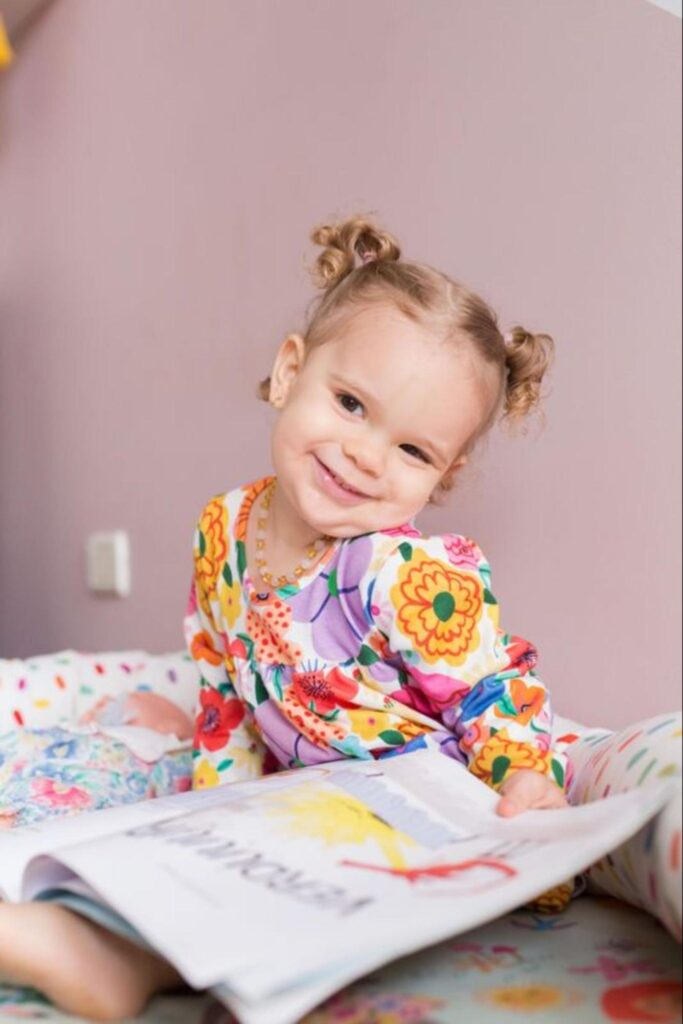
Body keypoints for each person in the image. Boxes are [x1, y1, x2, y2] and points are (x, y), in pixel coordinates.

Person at [0, 215, 571, 1020]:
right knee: (173, 846)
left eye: (413, 451)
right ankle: (109, 920)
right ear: (287, 371)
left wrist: (522, 774)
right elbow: (224, 679)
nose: (367, 456)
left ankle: (112, 960)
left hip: (417, 805)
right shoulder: (224, 527)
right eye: (349, 403)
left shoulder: (406, 574)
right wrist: (215, 797)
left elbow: (488, 689)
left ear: (446, 471)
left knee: (327, 870)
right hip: (290, 799)